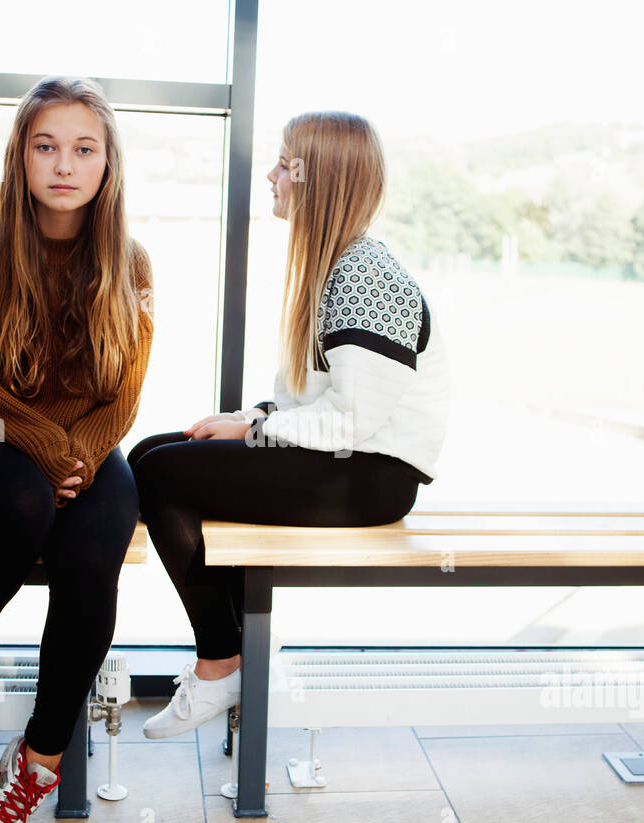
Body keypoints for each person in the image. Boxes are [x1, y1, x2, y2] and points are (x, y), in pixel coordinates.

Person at [129, 111, 448, 739]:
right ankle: (230, 657)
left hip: (374, 476)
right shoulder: (338, 267)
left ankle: (220, 663)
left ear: (317, 178)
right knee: (152, 453)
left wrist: (254, 432)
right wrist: (250, 419)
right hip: (350, 462)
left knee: (163, 474)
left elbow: (351, 422)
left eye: (284, 164)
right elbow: (315, 400)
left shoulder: (364, 275)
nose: (272, 176)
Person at [0, 76, 153, 823]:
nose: (63, 164)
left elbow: (123, 392)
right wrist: (41, 449)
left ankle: (38, 766)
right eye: (45, 145)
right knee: (22, 503)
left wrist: (77, 457)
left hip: (86, 446)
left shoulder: (131, 262)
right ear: (20, 156)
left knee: (95, 552)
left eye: (83, 148)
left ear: (107, 162)